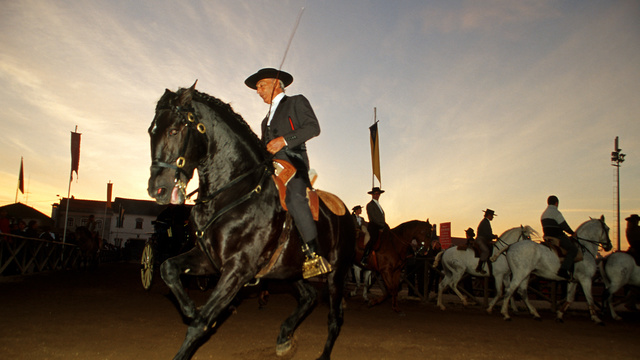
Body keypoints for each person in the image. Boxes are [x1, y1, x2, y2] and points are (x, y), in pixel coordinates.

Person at [245, 67, 328, 278]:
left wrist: (284, 140)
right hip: (269, 168)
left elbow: (313, 128)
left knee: (294, 198)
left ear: (275, 83)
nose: (258, 91)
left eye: (261, 86)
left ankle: (314, 254)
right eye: (257, 88)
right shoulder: (265, 120)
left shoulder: (296, 101)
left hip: (293, 164)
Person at [541, 195, 577, 280]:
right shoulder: (556, 212)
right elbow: (564, 226)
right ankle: (564, 270)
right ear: (556, 203)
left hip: (547, 237)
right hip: (557, 236)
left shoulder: (544, 214)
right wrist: (573, 233)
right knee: (573, 249)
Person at [362, 187, 388, 266]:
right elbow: (373, 217)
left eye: (378, 194)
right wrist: (382, 225)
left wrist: (385, 225)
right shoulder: (370, 205)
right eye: (375, 194)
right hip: (374, 225)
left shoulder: (379, 205)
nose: (377, 195)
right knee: (373, 238)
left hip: (382, 225)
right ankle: (365, 257)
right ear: (372, 195)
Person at [475, 209, 498, 274]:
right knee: (486, 251)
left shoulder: (486, 222)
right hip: (481, 239)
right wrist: (494, 236)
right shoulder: (485, 222)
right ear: (489, 215)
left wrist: (493, 236)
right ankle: (479, 267)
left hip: (484, 239)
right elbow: (487, 234)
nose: (492, 217)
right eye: (492, 216)